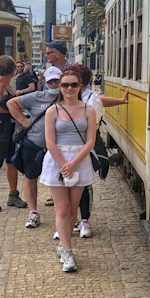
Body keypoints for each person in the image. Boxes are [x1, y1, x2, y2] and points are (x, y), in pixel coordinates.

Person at [58, 64, 127, 239]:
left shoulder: (92, 98)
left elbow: (92, 124)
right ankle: (68, 221)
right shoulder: (63, 98)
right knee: (65, 186)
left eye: (72, 82)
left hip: (83, 148)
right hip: (65, 148)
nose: (68, 86)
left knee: (83, 185)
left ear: (80, 82)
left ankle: (84, 220)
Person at [40, 69, 96, 273]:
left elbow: (90, 141)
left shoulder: (88, 110)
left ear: (80, 87)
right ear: (60, 87)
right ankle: (67, 251)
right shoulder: (52, 111)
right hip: (57, 161)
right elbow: (50, 142)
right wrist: (64, 164)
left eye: (73, 85)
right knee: (62, 208)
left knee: (73, 208)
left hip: (79, 160)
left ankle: (64, 245)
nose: (69, 88)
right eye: (65, 85)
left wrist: (74, 163)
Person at [6, 66, 63, 228]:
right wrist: (23, 120)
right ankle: (33, 212)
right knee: (30, 176)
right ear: (45, 82)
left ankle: (64, 214)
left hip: (59, 147)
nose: (54, 85)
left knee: (61, 180)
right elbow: (11, 103)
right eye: (51, 82)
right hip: (35, 144)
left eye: (57, 81)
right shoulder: (37, 97)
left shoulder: (68, 98)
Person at [0, 56, 28, 212]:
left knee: (11, 162)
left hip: (8, 130)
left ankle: (13, 195)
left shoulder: (7, 85)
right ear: (12, 70)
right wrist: (15, 112)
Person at [42, 40, 70, 208]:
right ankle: (57, 191)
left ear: (57, 54)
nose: (46, 55)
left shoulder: (70, 71)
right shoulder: (51, 71)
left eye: (49, 52)